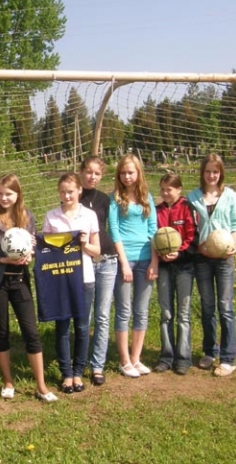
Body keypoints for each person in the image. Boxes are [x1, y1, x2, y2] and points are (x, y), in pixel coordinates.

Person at [0, 173, 58, 403]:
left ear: (17, 194)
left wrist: (28, 254)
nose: (4, 198)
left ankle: (41, 386)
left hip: (20, 280)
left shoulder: (26, 215)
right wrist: (3, 261)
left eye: (8, 194)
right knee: (1, 331)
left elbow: (29, 245)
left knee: (31, 332)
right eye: (0, 193)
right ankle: (8, 382)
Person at [42, 172, 100, 394]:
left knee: (83, 327)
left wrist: (85, 244)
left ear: (79, 191)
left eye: (71, 192)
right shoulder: (51, 216)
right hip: (60, 279)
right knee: (62, 326)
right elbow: (46, 250)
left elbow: (97, 251)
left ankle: (78, 372)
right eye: (63, 192)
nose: (67, 196)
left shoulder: (89, 215)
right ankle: (66, 374)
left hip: (84, 278)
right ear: (58, 192)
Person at [187, 153, 236, 377]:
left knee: (225, 307)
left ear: (221, 173)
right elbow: (191, 229)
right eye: (208, 171)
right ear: (202, 173)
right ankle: (210, 352)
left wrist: (235, 244)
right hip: (202, 258)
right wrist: (198, 247)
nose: (211, 175)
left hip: (224, 258)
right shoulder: (193, 197)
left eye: (215, 172)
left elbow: (235, 225)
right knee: (207, 307)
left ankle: (228, 358)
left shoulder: (231, 196)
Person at [109, 154, 158, 378]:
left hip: (146, 259)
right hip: (125, 260)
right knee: (124, 311)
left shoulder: (147, 198)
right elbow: (114, 230)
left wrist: (154, 262)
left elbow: (153, 231)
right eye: (123, 172)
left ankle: (136, 358)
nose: (127, 176)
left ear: (138, 173)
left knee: (141, 310)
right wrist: (124, 263)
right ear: (119, 175)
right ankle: (124, 360)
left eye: (131, 172)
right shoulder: (115, 199)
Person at [79, 156, 118, 386]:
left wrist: (121, 258)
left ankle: (97, 366)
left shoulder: (105, 199)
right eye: (89, 172)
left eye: (97, 173)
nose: (92, 176)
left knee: (102, 316)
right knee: (85, 316)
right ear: (81, 172)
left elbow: (112, 228)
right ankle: (80, 362)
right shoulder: (73, 195)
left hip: (106, 261)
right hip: (83, 261)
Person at [153, 173, 197, 375]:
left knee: (183, 314)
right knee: (166, 313)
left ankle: (183, 357)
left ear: (179, 189)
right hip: (163, 267)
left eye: (168, 189)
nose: (164, 193)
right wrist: (162, 255)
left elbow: (191, 236)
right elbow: (154, 236)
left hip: (184, 267)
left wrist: (179, 253)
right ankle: (166, 356)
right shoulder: (157, 210)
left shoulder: (188, 207)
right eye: (162, 189)